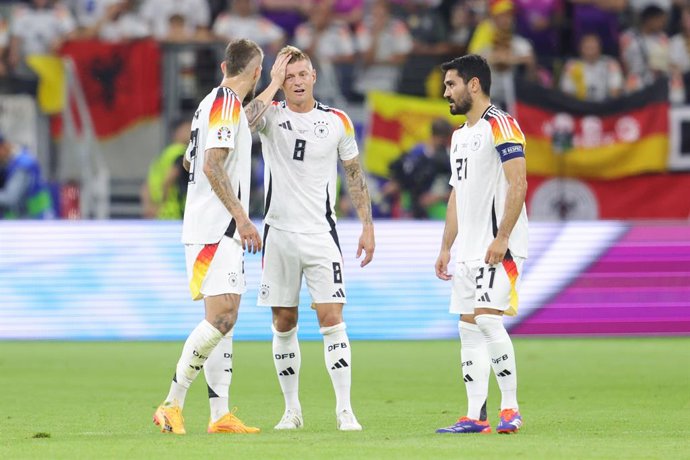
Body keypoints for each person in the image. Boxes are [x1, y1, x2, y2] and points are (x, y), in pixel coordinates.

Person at [152, 39, 290, 435]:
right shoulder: (225, 104)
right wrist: (243, 219)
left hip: (210, 226)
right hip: (217, 228)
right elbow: (212, 165)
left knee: (223, 320)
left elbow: (197, 154)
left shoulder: (213, 103)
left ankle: (219, 415)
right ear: (255, 70)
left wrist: (274, 84)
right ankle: (171, 403)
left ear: (223, 66)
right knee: (224, 315)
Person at [245, 45, 375, 431]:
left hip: (322, 233)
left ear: (314, 77)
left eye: (302, 74)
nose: (297, 82)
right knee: (284, 321)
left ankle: (344, 410)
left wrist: (367, 225)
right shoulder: (270, 115)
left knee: (332, 318)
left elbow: (354, 174)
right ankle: (292, 410)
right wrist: (270, 83)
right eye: (289, 76)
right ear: (281, 81)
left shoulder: (337, 121)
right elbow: (243, 121)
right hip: (279, 233)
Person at [434, 54, 528, 435]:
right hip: (469, 250)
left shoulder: (502, 125)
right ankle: (476, 416)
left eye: (451, 84)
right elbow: (457, 194)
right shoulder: (459, 136)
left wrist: (502, 237)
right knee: (469, 328)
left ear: (474, 85)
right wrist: (445, 247)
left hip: (499, 245)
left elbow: (518, 183)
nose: (446, 93)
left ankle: (510, 408)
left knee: (488, 318)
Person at [140, 118, 191, 219]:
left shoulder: (162, 156)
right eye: (188, 129)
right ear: (178, 131)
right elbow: (168, 180)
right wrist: (161, 204)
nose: (191, 132)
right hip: (174, 213)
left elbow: (146, 186)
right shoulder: (181, 153)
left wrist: (149, 206)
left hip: (157, 215)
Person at [0, 134, 54, 219]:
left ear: (3, 146)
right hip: (28, 221)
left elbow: (10, 198)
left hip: (34, 222)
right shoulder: (12, 163)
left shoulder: (22, 166)